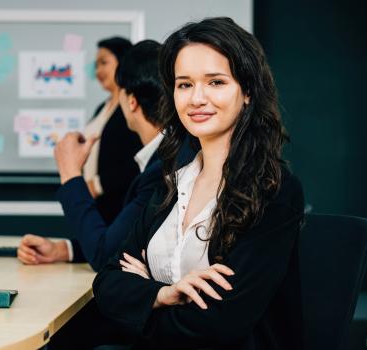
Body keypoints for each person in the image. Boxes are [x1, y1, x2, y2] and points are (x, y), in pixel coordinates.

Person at [91, 17, 305, 349]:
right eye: (184, 84)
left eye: (216, 82)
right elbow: (106, 283)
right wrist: (163, 293)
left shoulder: (273, 190)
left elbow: (220, 324)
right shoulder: (172, 183)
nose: (196, 99)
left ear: (247, 91)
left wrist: (143, 297)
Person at [17, 40, 170, 272]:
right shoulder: (162, 158)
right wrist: (64, 249)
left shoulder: (160, 170)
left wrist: (70, 173)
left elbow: (105, 255)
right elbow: (121, 242)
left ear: (131, 102)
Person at [80, 36, 142, 224]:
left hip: (117, 205)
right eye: (96, 65)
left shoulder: (132, 106)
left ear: (123, 62)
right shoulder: (102, 108)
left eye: (104, 62)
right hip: (95, 205)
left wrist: (97, 184)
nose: (98, 71)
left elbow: (136, 160)